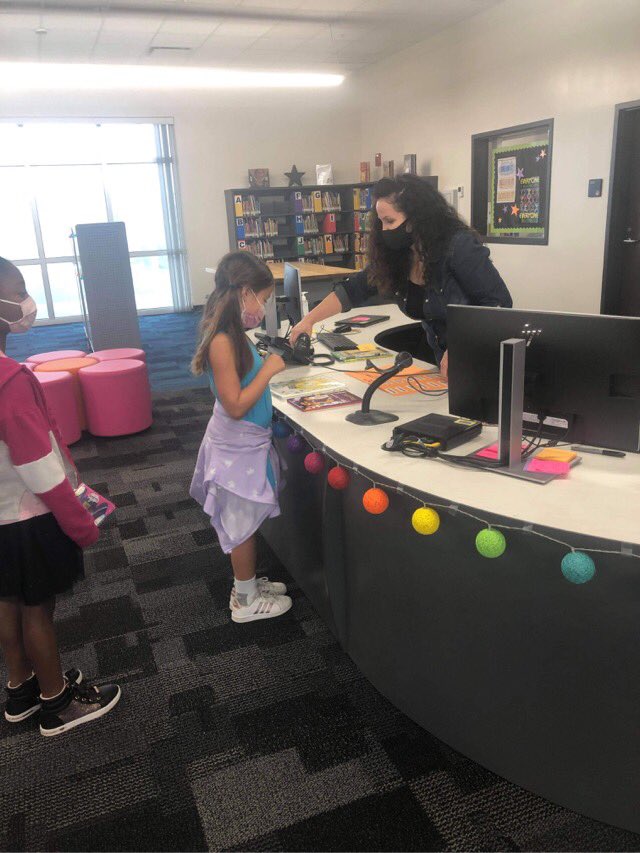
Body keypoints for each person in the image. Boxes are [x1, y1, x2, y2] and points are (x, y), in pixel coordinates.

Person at [0, 257, 120, 736]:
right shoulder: (9, 382)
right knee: (38, 610)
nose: (28, 301)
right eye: (21, 289)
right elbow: (39, 468)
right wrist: (79, 522)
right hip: (27, 517)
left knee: (6, 601)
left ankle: (21, 687)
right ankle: (57, 700)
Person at [290, 174, 512, 378]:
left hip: (479, 358)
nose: (385, 230)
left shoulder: (457, 246)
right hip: (442, 363)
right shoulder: (398, 256)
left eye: (390, 221)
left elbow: (499, 303)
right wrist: (308, 321)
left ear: (416, 219)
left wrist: (461, 346)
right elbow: (353, 289)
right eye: (381, 222)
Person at [190, 251, 292, 623]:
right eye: (262, 300)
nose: (263, 309)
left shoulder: (236, 335)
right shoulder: (222, 341)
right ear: (245, 293)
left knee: (246, 519)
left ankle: (246, 582)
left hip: (245, 442)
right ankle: (245, 600)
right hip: (235, 444)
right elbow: (234, 404)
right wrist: (268, 371)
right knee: (242, 525)